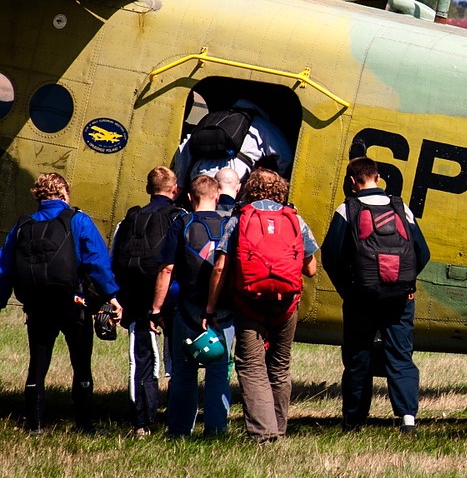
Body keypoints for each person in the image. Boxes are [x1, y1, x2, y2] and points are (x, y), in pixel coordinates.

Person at [0, 173, 123, 434]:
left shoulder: (21, 226)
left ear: (39, 195)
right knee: (80, 363)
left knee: (37, 364)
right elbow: (97, 262)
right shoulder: (78, 220)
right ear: (65, 194)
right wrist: (111, 295)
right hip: (73, 302)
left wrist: (1, 299)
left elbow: (5, 267)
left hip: (36, 305)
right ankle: (84, 424)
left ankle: (35, 425)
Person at [205, 168, 317, 443]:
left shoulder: (239, 219)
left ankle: (264, 435)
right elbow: (311, 269)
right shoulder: (295, 219)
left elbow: (220, 267)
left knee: (252, 365)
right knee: (279, 366)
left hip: (248, 304)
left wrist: (210, 306)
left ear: (249, 188)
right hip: (286, 305)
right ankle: (278, 429)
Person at [320, 157, 430, 435]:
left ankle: (354, 421)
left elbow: (330, 256)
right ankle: (407, 419)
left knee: (358, 356)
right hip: (400, 299)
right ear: (378, 178)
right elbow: (423, 253)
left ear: (352, 181)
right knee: (401, 356)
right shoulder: (399, 206)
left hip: (361, 298)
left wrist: (348, 290)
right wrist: (406, 284)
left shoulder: (347, 209)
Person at [152, 175, 234, 437]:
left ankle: (178, 431)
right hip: (223, 311)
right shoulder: (229, 224)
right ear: (218, 197)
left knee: (184, 372)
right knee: (219, 371)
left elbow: (167, 269)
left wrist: (156, 308)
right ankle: (216, 431)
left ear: (189, 197)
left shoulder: (181, 223)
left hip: (188, 309)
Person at [111, 165, 182, 437]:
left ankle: (142, 421)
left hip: (136, 297)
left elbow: (114, 257)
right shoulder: (179, 217)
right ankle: (176, 418)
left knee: (141, 360)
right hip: (171, 297)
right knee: (177, 362)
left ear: (147, 189)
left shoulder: (130, 218)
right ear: (174, 190)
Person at [173, 98, 294, 185]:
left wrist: (181, 182)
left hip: (200, 175)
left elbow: (184, 148)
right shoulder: (261, 125)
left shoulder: (212, 118)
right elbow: (285, 157)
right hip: (232, 180)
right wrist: (281, 182)